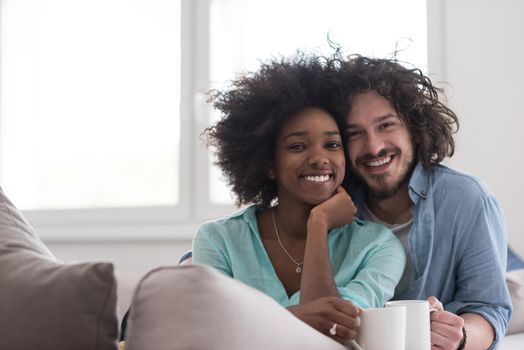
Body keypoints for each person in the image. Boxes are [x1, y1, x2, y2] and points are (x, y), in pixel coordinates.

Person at [193, 53, 405, 345]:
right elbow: (211, 336)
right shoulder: (219, 240)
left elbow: (330, 336)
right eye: (297, 146)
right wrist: (297, 317)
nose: (319, 158)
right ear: (268, 164)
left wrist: (318, 224)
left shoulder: (378, 247)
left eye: (332, 144)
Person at [329, 54, 512, 349]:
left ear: (414, 128)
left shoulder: (469, 199)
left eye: (386, 125)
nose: (374, 146)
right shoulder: (332, 204)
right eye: (355, 134)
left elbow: (490, 308)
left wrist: (460, 337)